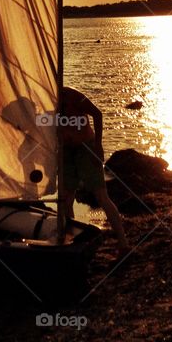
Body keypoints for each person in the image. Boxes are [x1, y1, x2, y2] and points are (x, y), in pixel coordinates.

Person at [57, 86, 130, 255]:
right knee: (66, 198)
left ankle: (123, 242)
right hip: (66, 152)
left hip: (86, 148)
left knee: (101, 195)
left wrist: (98, 146)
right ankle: (71, 242)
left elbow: (97, 114)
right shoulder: (45, 95)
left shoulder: (72, 95)